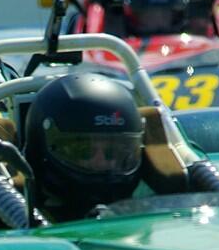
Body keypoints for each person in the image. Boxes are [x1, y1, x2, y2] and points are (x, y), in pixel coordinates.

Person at [23, 73, 144, 221]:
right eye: (84, 151)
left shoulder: (156, 214)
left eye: (112, 153)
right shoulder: (11, 223)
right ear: (40, 151)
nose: (100, 163)